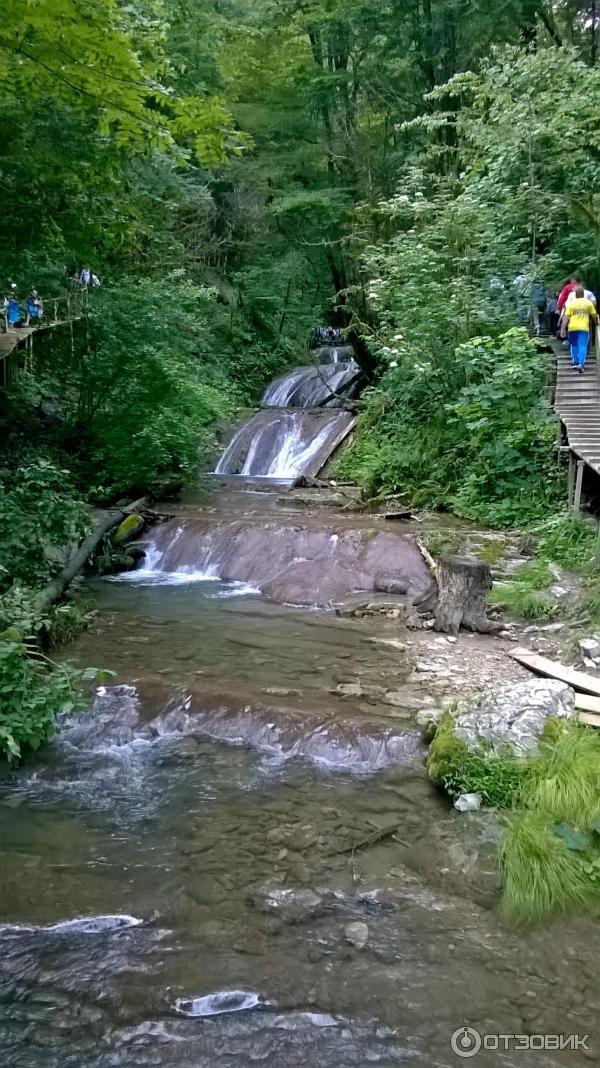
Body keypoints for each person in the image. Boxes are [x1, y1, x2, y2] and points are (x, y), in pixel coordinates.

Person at [564, 286, 598, 373]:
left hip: (572, 328)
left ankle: (575, 362)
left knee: (574, 345)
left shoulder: (571, 304)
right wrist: (596, 323)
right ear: (583, 294)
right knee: (583, 345)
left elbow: (566, 317)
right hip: (584, 328)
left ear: (575, 295)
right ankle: (580, 364)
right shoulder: (588, 303)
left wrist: (562, 328)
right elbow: (594, 315)